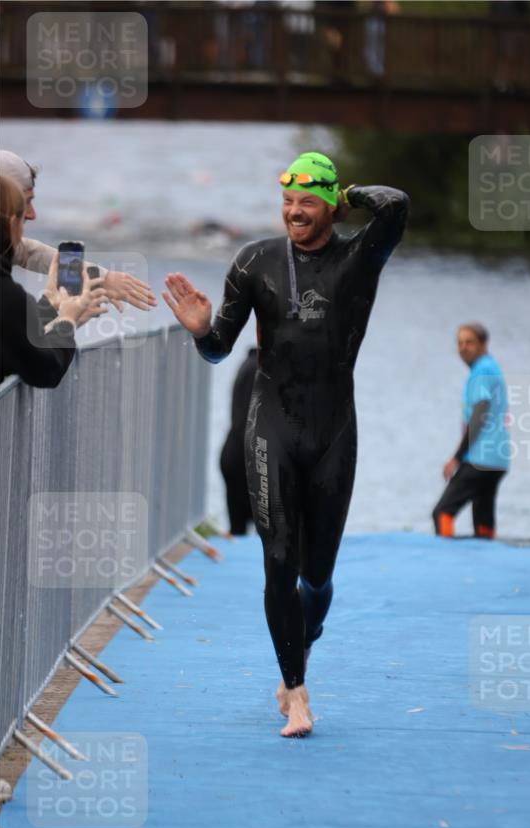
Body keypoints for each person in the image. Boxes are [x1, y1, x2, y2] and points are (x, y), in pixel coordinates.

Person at [163, 151, 408, 737]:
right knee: (278, 561)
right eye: (287, 202)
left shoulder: (359, 257)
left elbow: (395, 205)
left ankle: (301, 644)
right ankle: (296, 693)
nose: (294, 212)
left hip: (333, 430)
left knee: (317, 575)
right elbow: (222, 345)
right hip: (271, 425)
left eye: (307, 202)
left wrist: (345, 190)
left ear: (328, 206)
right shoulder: (255, 261)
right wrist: (202, 333)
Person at [0, 150, 156, 313]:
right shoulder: (9, 295)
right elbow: (23, 335)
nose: (32, 214)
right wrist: (59, 312)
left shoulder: (3, 252)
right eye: (25, 202)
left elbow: (27, 251)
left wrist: (102, 278)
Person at [0, 175, 107, 387]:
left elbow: (13, 337)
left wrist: (48, 304)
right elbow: (46, 370)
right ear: (12, 224)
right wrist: (67, 321)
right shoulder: (5, 294)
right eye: (22, 220)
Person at [432, 323, 509, 541]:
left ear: (483, 345)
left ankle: (446, 560)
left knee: (442, 512)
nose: (463, 347)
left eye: (470, 342)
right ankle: (487, 560)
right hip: (497, 459)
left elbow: (479, 414)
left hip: (479, 457)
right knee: (483, 519)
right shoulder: (491, 367)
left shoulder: (482, 370)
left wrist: (456, 458)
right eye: (460, 343)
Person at [220, 345, 258, 535]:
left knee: (238, 530)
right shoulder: (263, 369)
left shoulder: (247, 364)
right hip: (249, 460)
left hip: (234, 454)